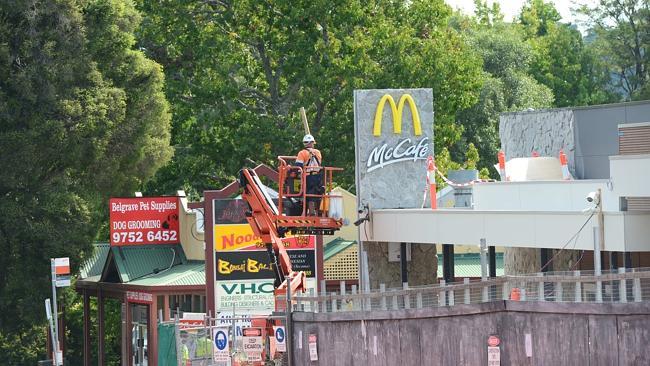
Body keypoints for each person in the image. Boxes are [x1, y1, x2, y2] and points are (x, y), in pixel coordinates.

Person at [295, 134, 323, 215]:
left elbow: (298, 166)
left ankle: (311, 212)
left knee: (308, 195)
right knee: (317, 194)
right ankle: (319, 212)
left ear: (304, 143)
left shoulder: (302, 153)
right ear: (313, 143)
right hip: (318, 177)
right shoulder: (318, 152)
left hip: (308, 177)